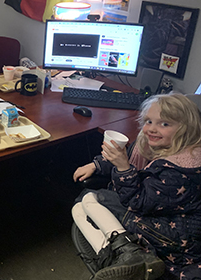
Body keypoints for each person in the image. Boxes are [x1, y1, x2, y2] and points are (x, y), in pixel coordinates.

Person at [72, 93, 201, 280]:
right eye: (148, 121)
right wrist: (97, 164)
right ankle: (121, 257)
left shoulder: (179, 171)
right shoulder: (157, 146)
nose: (152, 129)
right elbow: (130, 158)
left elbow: (138, 202)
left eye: (164, 124)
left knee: (90, 198)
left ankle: (131, 255)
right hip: (160, 219)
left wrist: (123, 168)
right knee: (79, 207)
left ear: (186, 129)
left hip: (172, 235)